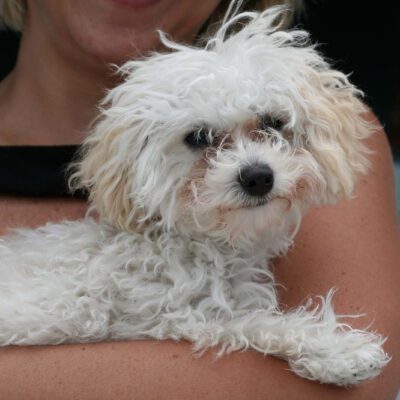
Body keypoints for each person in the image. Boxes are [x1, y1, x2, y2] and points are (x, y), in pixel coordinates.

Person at [0, 0, 399, 398]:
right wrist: (288, 340)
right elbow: (195, 329)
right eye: (201, 140)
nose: (253, 167)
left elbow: (362, 386)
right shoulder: (157, 268)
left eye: (272, 128)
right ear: (133, 170)